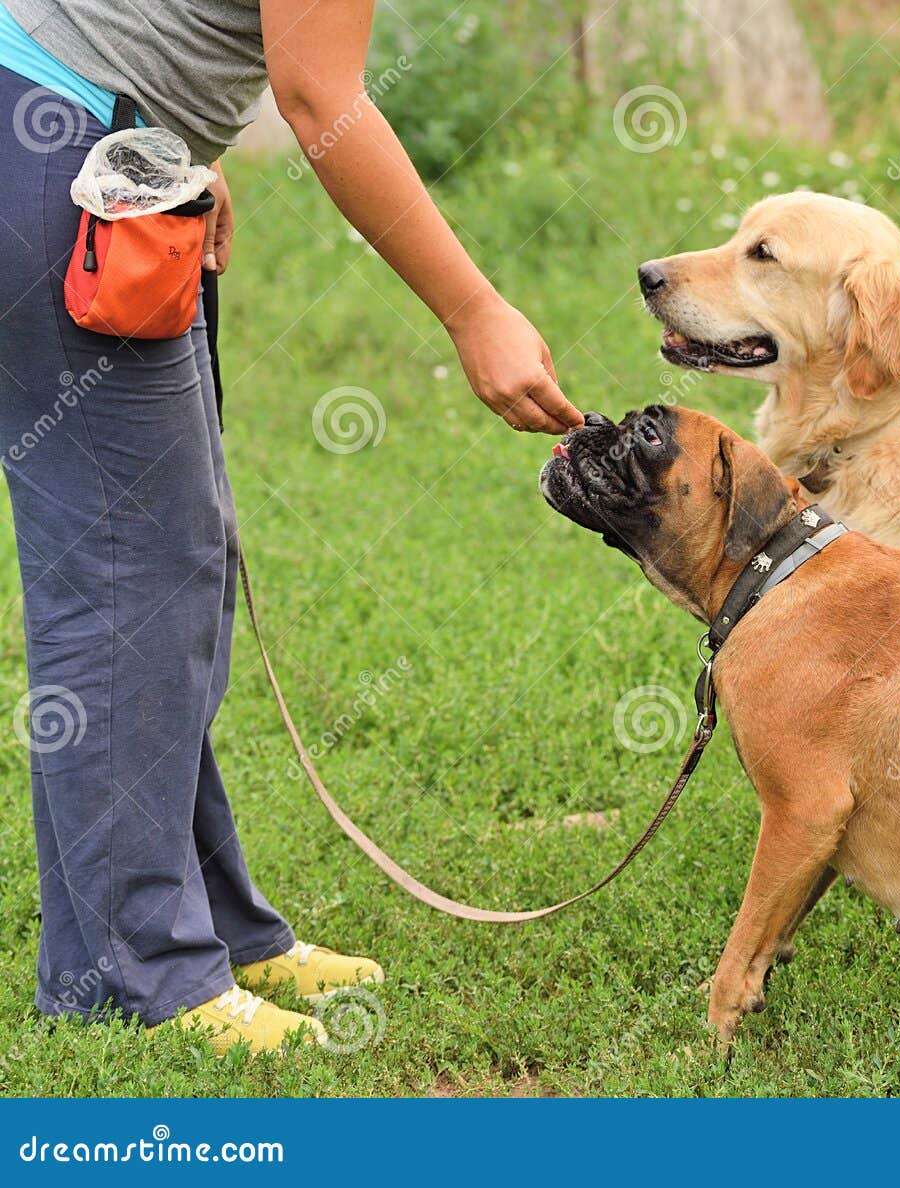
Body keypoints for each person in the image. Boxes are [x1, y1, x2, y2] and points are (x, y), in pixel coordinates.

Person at [0, 0, 582, 1054]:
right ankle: (135, 979)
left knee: (173, 568)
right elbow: (319, 97)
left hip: (94, 140)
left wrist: (169, 136)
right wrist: (473, 310)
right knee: (130, 581)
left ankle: (207, 926)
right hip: (63, 149)